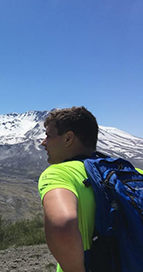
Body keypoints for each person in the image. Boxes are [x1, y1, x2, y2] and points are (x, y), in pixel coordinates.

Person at [38, 106, 99, 272]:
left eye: (48, 136)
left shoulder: (59, 173)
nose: (43, 143)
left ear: (68, 138)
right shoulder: (132, 173)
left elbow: (63, 224)